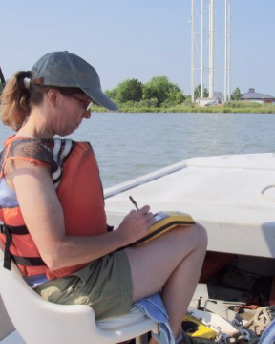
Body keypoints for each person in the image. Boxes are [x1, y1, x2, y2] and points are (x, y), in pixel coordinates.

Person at [0, 51, 208, 344]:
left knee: (176, 231)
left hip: (74, 277)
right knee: (194, 237)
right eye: (83, 104)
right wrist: (122, 237)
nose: (87, 114)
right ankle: (167, 339)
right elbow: (55, 254)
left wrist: (126, 235)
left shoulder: (31, 148)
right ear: (54, 97)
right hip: (68, 290)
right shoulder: (27, 162)